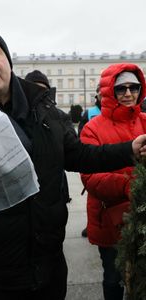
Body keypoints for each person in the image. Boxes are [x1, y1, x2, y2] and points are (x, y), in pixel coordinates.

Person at [0, 27, 146, 300]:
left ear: (7, 63)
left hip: (51, 268)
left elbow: (81, 155)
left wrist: (129, 148)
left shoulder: (46, 113)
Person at [79, 63, 146, 299]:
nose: (128, 94)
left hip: (143, 218)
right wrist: (130, 186)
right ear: (110, 91)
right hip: (110, 218)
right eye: (121, 89)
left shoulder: (145, 120)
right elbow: (90, 177)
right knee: (113, 277)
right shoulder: (92, 128)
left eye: (134, 87)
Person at [25, 70, 71, 203]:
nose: (39, 94)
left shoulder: (60, 117)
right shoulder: (18, 116)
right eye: (34, 89)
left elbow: (73, 152)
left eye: (43, 90)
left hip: (54, 193)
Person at [78, 84, 101, 237]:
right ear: (97, 95)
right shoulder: (90, 113)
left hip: (116, 156)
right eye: (100, 92)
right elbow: (80, 134)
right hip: (95, 159)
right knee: (94, 197)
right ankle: (92, 224)